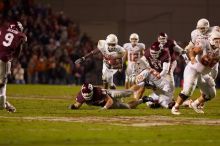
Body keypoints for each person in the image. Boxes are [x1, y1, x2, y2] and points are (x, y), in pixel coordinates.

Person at [171, 31, 220, 115]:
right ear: (211, 39)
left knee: (211, 94)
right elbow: (192, 51)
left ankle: (195, 104)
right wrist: (193, 58)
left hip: (204, 73)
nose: (218, 42)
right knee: (188, 90)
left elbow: (215, 64)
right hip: (193, 69)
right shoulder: (204, 43)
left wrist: (212, 76)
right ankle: (175, 107)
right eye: (217, 40)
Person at [130, 44, 174, 109]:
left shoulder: (145, 72)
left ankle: (176, 102)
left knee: (166, 105)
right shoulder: (142, 69)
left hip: (165, 89)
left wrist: (127, 92)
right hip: (158, 92)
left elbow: (138, 85)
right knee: (150, 104)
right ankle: (152, 100)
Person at [0, 21, 27, 112]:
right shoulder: (21, 35)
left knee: (3, 83)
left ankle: (4, 103)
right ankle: (4, 103)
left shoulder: (3, 28)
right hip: (4, 59)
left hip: (3, 58)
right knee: (3, 83)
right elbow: (17, 54)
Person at [69, 83, 147, 110]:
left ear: (92, 91)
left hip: (109, 95)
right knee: (128, 107)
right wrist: (73, 107)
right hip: (105, 103)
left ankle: (142, 83)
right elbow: (77, 105)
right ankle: (143, 100)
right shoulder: (81, 96)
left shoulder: (99, 91)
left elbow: (110, 100)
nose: (87, 97)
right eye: (85, 95)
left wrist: (104, 108)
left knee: (127, 93)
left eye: (88, 94)